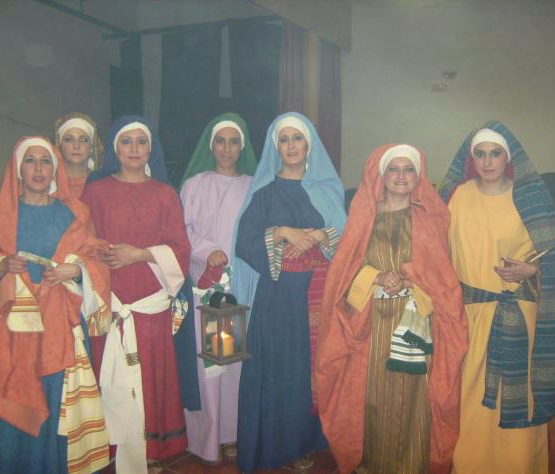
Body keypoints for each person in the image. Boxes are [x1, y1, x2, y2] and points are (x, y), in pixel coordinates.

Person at [0, 136, 112, 474]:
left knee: (55, 408)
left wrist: (76, 270)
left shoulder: (75, 214)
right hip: (13, 331)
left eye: (45, 161)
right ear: (17, 169)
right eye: (30, 160)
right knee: (14, 403)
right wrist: (0, 266)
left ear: (55, 169)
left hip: (59, 330)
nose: (38, 168)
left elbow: (95, 256)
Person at [316, 144, 468, 474]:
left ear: (419, 176)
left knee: (413, 399)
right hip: (370, 324)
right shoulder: (364, 218)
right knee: (372, 397)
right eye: (393, 169)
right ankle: (371, 465)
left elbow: (443, 279)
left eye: (408, 169)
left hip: (417, 324)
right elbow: (344, 274)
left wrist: (412, 280)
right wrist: (377, 276)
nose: (401, 176)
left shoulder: (429, 220)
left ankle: (412, 465)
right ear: (381, 176)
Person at [438, 121, 555, 473]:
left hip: (520, 315)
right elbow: (435, 250)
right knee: (470, 398)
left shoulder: (530, 198)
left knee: (521, 396)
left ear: (508, 157)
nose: (487, 161)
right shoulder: (457, 197)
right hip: (470, 314)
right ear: (471, 159)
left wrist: (532, 269)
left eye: (495, 153)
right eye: (480, 154)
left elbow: (554, 259)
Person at [232, 112, 347, 473]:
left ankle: (310, 441)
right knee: (281, 368)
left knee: (313, 367)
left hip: (319, 296)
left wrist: (320, 235)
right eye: (284, 139)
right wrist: (281, 232)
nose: (291, 146)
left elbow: (349, 239)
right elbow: (244, 243)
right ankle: (276, 443)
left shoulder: (328, 190)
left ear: (308, 144)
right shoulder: (264, 194)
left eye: (298, 138)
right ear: (275, 146)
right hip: (278, 297)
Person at [81, 115, 189, 473]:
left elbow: (181, 250)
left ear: (151, 149)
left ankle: (152, 449)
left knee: (150, 378)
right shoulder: (95, 192)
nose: (134, 149)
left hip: (149, 304)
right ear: (115, 148)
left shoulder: (165, 194)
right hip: (111, 302)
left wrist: (139, 254)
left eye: (141, 142)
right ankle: (112, 448)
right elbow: (82, 240)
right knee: (110, 376)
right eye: (126, 142)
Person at [179, 112, 258, 464]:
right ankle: (206, 437)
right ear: (211, 145)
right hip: (208, 286)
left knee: (234, 362)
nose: (227, 149)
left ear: (243, 146)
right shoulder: (195, 185)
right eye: (221, 141)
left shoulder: (253, 185)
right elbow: (183, 230)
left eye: (234, 141)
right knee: (210, 363)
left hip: (240, 285)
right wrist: (207, 251)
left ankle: (231, 434)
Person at [54, 112, 104, 199]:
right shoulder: (48, 184)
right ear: (60, 145)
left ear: (92, 146)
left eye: (83, 140)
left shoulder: (103, 183)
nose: (76, 146)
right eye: (69, 140)